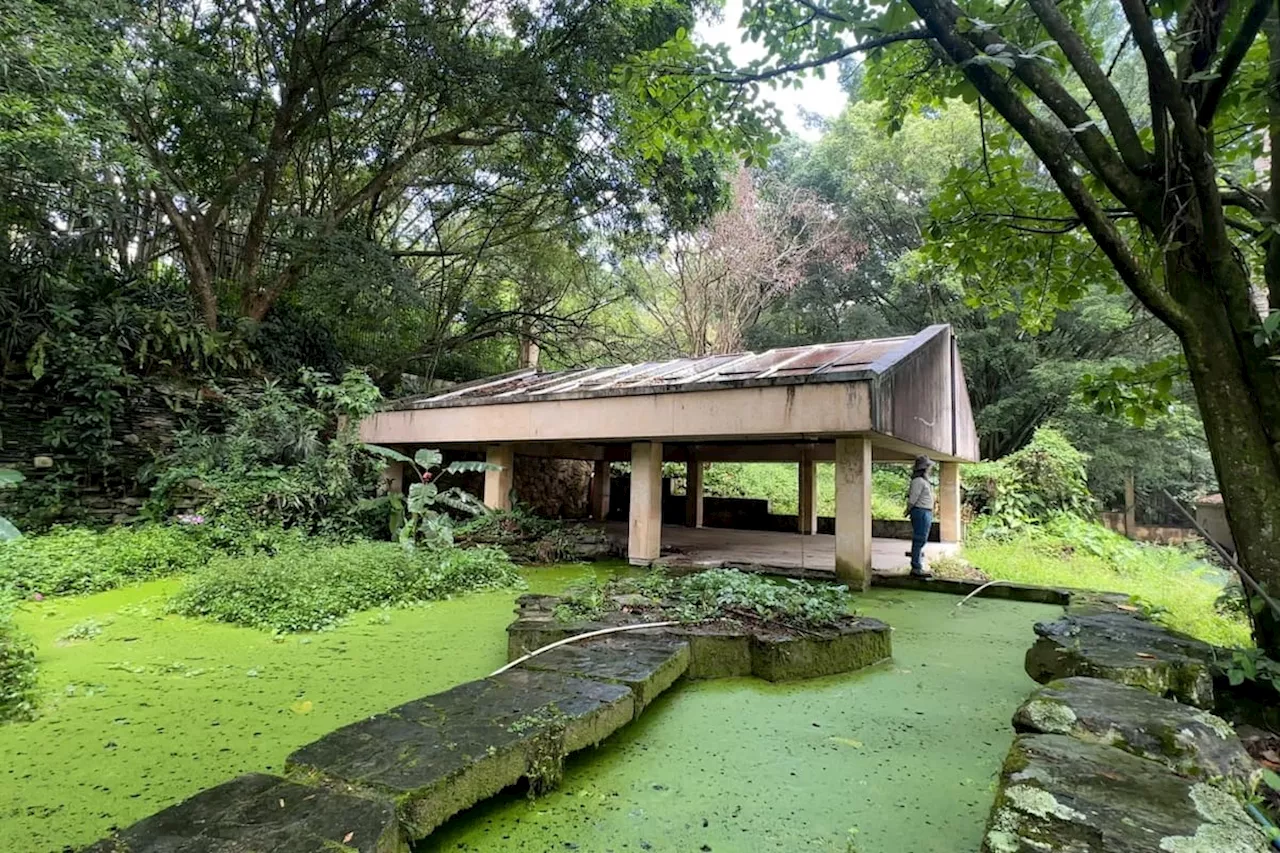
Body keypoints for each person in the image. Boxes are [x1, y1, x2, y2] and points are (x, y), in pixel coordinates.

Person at [905, 456, 935, 578]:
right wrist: (907, 510)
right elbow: (913, 499)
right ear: (924, 468)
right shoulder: (918, 481)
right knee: (919, 539)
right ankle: (916, 567)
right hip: (921, 511)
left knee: (921, 539)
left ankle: (917, 565)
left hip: (924, 511)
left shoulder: (923, 481)